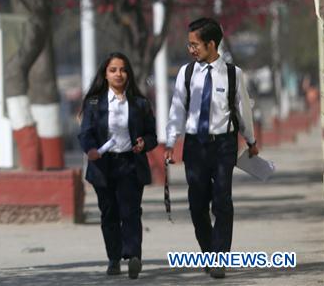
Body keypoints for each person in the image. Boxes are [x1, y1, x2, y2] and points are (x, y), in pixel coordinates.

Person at [164, 18, 258, 279]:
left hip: (223, 145)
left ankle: (219, 257)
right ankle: (208, 252)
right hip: (194, 145)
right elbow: (177, 108)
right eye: (189, 44)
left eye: (195, 45)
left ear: (211, 44)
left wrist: (251, 141)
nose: (191, 49)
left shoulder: (232, 74)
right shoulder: (186, 73)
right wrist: (171, 141)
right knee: (197, 205)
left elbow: (243, 111)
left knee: (222, 201)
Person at [79, 52, 157, 279]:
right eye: (113, 70)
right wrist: (90, 150)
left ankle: (133, 256)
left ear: (128, 74)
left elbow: (151, 135)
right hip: (103, 165)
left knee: (131, 211)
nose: (118, 74)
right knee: (109, 213)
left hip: (130, 164)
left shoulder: (140, 103)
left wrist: (144, 143)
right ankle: (114, 259)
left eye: (122, 70)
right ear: (105, 74)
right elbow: (85, 133)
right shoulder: (94, 103)